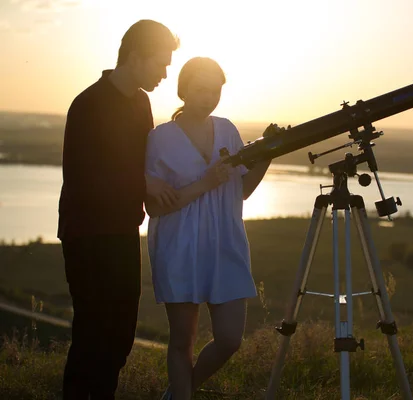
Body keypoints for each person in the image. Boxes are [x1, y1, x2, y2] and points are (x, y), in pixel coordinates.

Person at [58, 20, 180, 399]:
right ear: (134, 56)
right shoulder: (88, 104)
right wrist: (143, 185)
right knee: (94, 333)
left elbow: (142, 161)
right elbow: (86, 177)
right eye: (160, 64)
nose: (164, 74)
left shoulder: (140, 101)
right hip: (87, 234)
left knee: (121, 333)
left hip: (123, 229)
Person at [144, 57, 275, 400]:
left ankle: (176, 394)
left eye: (214, 90)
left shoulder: (228, 129)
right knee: (181, 340)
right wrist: (204, 182)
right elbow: (154, 206)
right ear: (183, 90)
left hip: (225, 242)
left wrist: (267, 156)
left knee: (230, 339)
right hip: (179, 245)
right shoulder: (161, 138)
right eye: (200, 89)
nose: (208, 97)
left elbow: (241, 190)